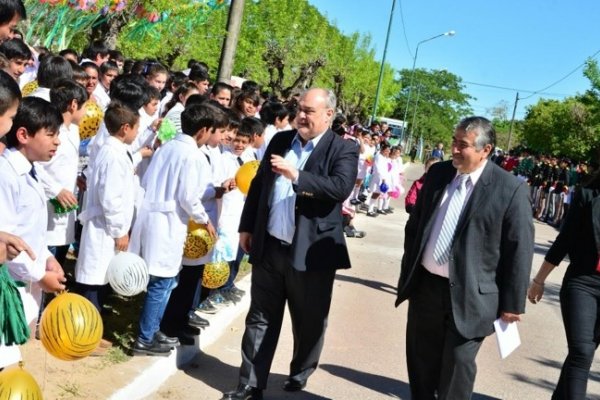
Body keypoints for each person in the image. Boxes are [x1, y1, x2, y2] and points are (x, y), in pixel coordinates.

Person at [220, 88, 358, 400]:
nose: (301, 116)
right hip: (270, 246)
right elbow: (259, 184)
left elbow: (339, 187)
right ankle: (250, 384)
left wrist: (297, 175)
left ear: (328, 115)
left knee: (308, 320)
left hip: (311, 253)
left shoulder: (343, 149)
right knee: (260, 317)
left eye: (309, 111)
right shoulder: (281, 140)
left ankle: (301, 370)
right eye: (299, 109)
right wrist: (247, 226)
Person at [395, 116, 534, 400]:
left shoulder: (509, 189)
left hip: (473, 296)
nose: (455, 150)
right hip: (427, 290)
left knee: (457, 369)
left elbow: (518, 249)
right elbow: (416, 226)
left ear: (486, 150)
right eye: (454, 142)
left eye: (464, 145)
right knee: (421, 365)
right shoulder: (438, 174)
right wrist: (409, 271)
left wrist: (512, 303)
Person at [130, 102, 220, 355]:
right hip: (168, 222)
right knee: (161, 282)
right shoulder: (193, 155)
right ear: (203, 130)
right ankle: (145, 338)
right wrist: (204, 219)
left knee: (163, 280)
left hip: (152, 215)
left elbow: (147, 180)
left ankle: (153, 328)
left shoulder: (166, 146)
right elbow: (189, 197)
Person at [527, 170, 600, 400]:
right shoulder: (587, 196)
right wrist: (539, 281)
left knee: (583, 354)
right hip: (583, 283)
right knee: (582, 350)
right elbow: (564, 240)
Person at [75, 103, 139, 313]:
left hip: (106, 226)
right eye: (137, 128)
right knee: (94, 281)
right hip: (105, 227)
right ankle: (87, 331)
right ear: (125, 128)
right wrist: (119, 231)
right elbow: (110, 199)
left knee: (102, 277)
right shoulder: (112, 154)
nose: (137, 133)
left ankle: (92, 327)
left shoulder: (115, 150)